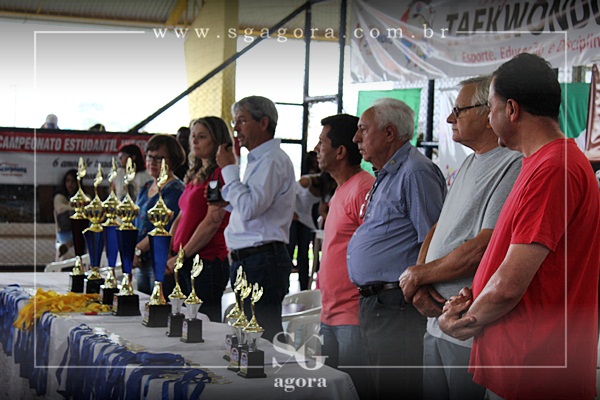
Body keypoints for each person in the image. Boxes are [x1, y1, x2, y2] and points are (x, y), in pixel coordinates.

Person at [439, 53, 600, 400]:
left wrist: (462, 321)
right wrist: (475, 296)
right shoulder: (541, 163)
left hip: (534, 368)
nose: (490, 118)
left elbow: (508, 286)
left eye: (490, 108)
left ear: (511, 109)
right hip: (523, 361)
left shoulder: (553, 169)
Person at [398, 76, 522, 400]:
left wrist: (420, 276)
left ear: (488, 112)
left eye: (458, 110)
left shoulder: (513, 163)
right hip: (436, 322)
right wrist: (420, 279)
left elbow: (485, 246)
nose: (449, 119)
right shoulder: (469, 161)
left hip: (466, 329)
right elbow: (439, 227)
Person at [348, 98, 447, 400]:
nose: (356, 138)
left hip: (397, 303)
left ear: (389, 133)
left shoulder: (415, 172)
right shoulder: (388, 172)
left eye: (363, 129)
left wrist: (419, 286)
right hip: (379, 302)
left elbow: (434, 239)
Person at [216, 95, 296, 342]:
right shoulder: (258, 160)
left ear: (263, 123)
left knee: (261, 336)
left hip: (262, 259)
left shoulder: (272, 160)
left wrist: (228, 169)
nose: (236, 130)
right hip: (251, 258)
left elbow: (250, 208)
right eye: (234, 122)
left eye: (242, 121)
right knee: (249, 334)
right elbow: (249, 207)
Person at [314, 113, 374, 398]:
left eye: (321, 142)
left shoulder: (363, 188)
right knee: (331, 390)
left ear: (340, 151)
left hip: (352, 314)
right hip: (330, 311)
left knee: (354, 391)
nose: (316, 149)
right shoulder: (342, 189)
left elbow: (374, 249)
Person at [164, 117, 232, 322]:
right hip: (184, 258)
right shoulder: (196, 175)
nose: (194, 141)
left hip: (206, 261)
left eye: (201, 137)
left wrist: (181, 256)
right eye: (193, 136)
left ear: (217, 141)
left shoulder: (219, 175)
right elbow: (181, 215)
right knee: (178, 321)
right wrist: (168, 248)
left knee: (202, 325)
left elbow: (211, 223)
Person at [132, 134, 186, 295]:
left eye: (159, 158)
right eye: (149, 156)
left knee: (158, 306)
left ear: (173, 160)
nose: (152, 162)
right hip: (142, 261)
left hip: (160, 260)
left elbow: (163, 228)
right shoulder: (146, 186)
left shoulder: (175, 189)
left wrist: (138, 249)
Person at [287, 150, 321, 291]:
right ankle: (285, 286)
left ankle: (304, 287)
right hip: (294, 218)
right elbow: (290, 194)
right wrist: (290, 212)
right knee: (290, 250)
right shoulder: (307, 180)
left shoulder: (322, 183)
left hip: (307, 219)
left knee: (304, 253)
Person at [53, 169, 78, 261]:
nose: (70, 184)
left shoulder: (84, 196)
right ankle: (67, 244)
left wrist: (69, 207)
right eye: (68, 181)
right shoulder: (59, 197)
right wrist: (73, 207)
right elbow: (60, 209)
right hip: (65, 232)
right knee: (65, 215)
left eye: (73, 181)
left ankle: (67, 245)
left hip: (79, 231)